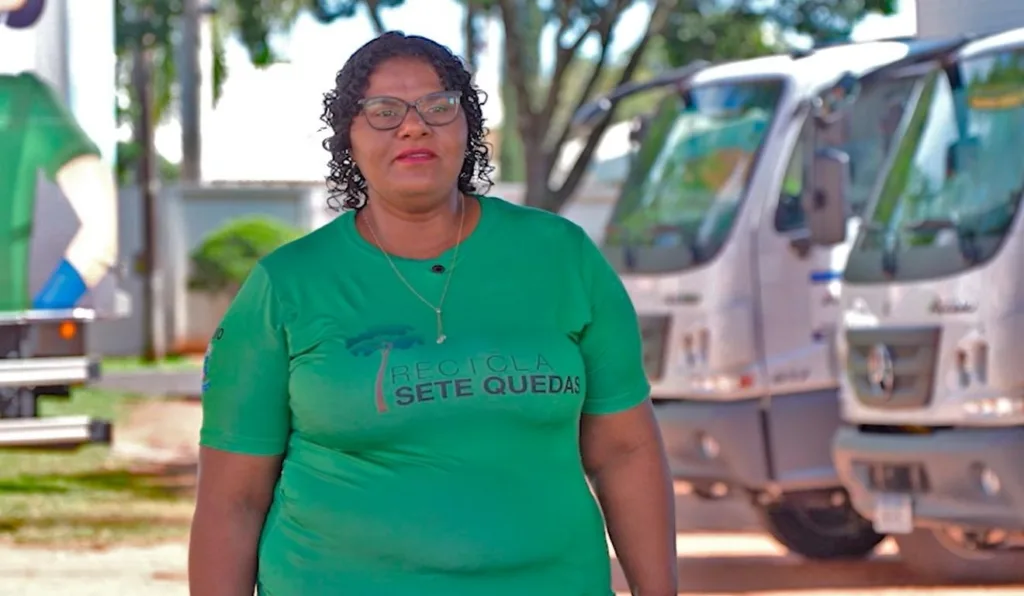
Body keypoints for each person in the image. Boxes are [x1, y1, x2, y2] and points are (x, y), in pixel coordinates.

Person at [189, 31, 677, 596]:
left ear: (468, 126)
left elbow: (625, 451)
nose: (413, 126)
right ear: (347, 135)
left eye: (438, 107)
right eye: (383, 111)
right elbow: (233, 500)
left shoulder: (563, 258)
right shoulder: (286, 285)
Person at [0, 0, 118, 312]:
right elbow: (101, 237)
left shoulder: (25, 103)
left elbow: (102, 231)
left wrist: (37, 317)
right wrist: (42, 313)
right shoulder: (24, 103)